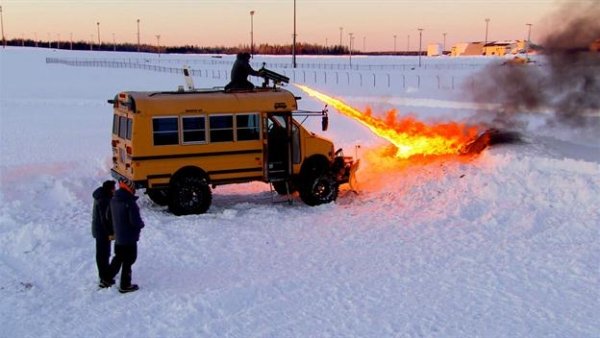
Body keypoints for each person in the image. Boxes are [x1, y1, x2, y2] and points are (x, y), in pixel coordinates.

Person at [107, 178, 145, 293]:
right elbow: (135, 222)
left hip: (119, 236)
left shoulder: (114, 199)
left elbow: (108, 216)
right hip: (129, 237)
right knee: (129, 260)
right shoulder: (129, 202)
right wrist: (141, 225)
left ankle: (107, 278)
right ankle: (125, 285)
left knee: (118, 257)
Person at [91, 180, 116, 288]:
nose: (115, 190)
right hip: (102, 232)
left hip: (99, 230)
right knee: (103, 254)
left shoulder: (101, 196)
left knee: (103, 254)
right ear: (110, 189)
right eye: (114, 188)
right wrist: (110, 232)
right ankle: (104, 278)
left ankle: (104, 276)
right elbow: (105, 219)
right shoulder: (104, 200)